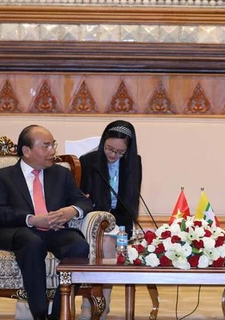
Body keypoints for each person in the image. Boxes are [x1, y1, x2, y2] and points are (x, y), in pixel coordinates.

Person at [0, 125, 93, 320]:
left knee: (79, 246)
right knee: (33, 242)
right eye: (46, 146)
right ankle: (40, 314)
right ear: (26, 151)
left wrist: (71, 211)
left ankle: (59, 314)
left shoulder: (61, 173)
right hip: (19, 231)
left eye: (53, 145)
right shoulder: (1, 177)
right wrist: (32, 219)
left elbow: (84, 201)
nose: (52, 151)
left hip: (55, 230)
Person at [78, 120, 142, 320]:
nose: (113, 155)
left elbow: (130, 200)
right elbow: (80, 198)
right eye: (109, 149)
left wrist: (121, 227)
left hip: (121, 222)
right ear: (103, 142)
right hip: (93, 220)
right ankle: (92, 306)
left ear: (128, 151)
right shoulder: (88, 161)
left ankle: (99, 306)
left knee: (111, 244)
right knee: (104, 244)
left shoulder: (134, 163)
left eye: (120, 152)